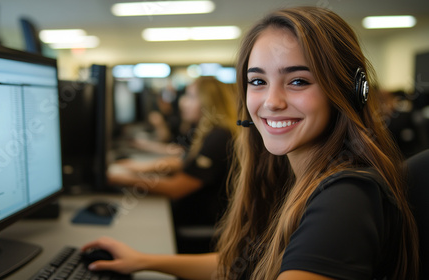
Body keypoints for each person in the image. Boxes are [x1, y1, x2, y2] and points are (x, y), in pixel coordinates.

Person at [83, 6, 419, 279]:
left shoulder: (344, 198)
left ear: (348, 92)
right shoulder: (289, 174)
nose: (271, 101)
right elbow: (241, 265)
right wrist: (143, 260)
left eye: (298, 81)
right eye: (257, 80)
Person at [108, 76, 239, 253]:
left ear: (210, 101)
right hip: (193, 213)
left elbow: (176, 188)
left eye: (191, 97)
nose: (183, 102)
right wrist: (136, 167)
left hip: (201, 224)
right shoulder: (209, 131)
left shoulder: (219, 137)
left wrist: (121, 178)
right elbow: (182, 161)